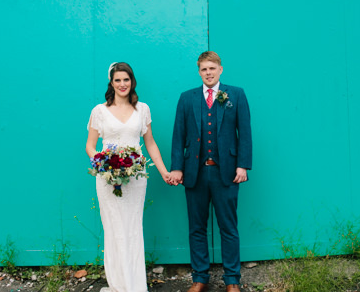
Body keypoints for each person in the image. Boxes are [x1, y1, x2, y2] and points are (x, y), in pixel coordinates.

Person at [86, 62, 175, 292]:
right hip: (108, 179)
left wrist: (164, 170)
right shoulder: (99, 111)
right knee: (114, 228)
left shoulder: (142, 109)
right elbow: (90, 145)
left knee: (132, 227)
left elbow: (150, 142)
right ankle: (118, 284)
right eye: (118, 80)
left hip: (136, 178)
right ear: (111, 83)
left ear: (131, 81)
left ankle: (135, 285)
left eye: (126, 79)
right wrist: (103, 164)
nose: (122, 84)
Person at [169, 51, 253, 292]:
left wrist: (242, 165)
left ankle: (232, 280)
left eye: (212, 68)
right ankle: (200, 278)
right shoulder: (187, 98)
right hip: (194, 173)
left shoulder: (235, 94)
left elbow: (244, 133)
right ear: (199, 72)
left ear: (220, 69)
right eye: (204, 69)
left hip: (225, 172)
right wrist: (177, 168)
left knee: (228, 226)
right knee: (196, 227)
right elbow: (178, 137)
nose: (208, 72)